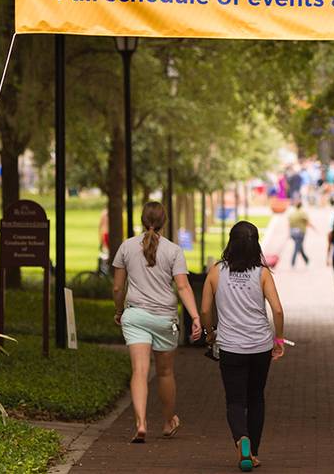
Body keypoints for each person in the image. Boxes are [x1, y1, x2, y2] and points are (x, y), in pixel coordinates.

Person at [112, 201, 202, 443]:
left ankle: (141, 424)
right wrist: (195, 317)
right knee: (165, 372)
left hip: (135, 316)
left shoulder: (126, 247)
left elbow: (118, 286)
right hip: (164, 318)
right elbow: (182, 286)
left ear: (142, 220)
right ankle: (168, 420)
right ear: (165, 221)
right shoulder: (174, 250)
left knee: (139, 371)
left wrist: (119, 310)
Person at [201, 221, 286, 472]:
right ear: (255, 243)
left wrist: (209, 333)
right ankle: (254, 452)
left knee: (235, 400)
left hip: (230, 346)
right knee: (256, 398)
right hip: (260, 345)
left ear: (231, 241)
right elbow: (278, 310)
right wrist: (278, 341)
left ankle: (242, 439)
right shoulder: (262, 273)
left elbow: (205, 309)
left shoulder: (217, 271)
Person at [287, 201, 316, 268]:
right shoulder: (302, 213)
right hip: (300, 233)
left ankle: (306, 260)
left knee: (299, 246)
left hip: (293, 233)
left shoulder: (292, 213)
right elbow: (308, 222)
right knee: (297, 247)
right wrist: (314, 229)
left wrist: (289, 233)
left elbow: (288, 224)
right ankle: (293, 262)